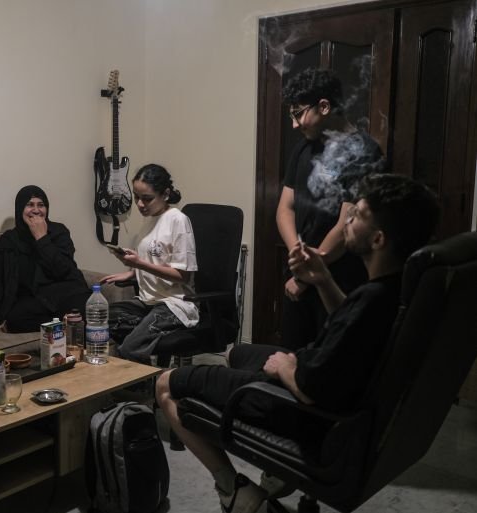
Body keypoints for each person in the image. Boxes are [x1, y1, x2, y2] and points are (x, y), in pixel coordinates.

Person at [156, 174, 439, 513]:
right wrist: (322, 279)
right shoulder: (391, 289)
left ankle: (233, 490)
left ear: (378, 239)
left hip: (303, 406)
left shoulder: (372, 301)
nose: (346, 219)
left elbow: (312, 389)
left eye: (358, 215)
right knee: (238, 353)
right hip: (328, 388)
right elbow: (349, 324)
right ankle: (279, 474)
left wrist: (287, 369)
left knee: (165, 386)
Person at [276, 67, 386, 350]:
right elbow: (285, 209)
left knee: (330, 360)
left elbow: (346, 223)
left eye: (298, 113)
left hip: (338, 279)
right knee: (291, 355)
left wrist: (307, 272)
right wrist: (298, 259)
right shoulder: (303, 149)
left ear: (323, 106)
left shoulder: (363, 151)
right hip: (300, 274)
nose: (295, 124)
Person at [102, 164, 198, 364]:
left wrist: (140, 264)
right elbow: (155, 260)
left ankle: (146, 385)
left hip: (174, 305)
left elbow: (183, 275)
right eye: (137, 197)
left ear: (165, 194)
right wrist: (131, 272)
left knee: (129, 348)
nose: (139, 204)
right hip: (148, 302)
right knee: (100, 321)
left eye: (147, 198)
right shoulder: (150, 219)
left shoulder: (178, 220)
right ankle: (145, 371)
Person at [0, 185, 90, 333]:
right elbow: (0, 281)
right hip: (34, 301)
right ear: (20, 209)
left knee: (87, 306)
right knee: (14, 319)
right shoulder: (9, 241)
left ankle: (63, 323)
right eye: (30, 205)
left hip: (63, 294)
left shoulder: (58, 232)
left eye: (41, 205)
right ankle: (64, 323)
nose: (36, 210)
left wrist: (42, 238)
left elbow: (64, 270)